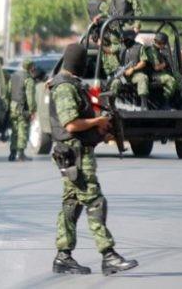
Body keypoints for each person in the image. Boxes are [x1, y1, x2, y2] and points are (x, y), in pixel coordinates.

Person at [49, 43, 138, 275]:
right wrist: (97, 122)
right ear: (76, 61)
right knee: (95, 202)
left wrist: (102, 132)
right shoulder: (65, 87)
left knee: (72, 204)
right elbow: (70, 124)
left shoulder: (72, 85)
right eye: (84, 60)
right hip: (74, 155)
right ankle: (108, 255)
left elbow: (79, 125)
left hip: (74, 152)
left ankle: (63, 257)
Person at [109, 30, 150, 110]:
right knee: (115, 83)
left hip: (135, 73)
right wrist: (100, 45)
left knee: (143, 78)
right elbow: (109, 50)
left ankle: (144, 105)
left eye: (125, 40)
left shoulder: (139, 47)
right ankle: (112, 105)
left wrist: (133, 69)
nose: (124, 42)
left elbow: (143, 62)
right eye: (123, 40)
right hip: (123, 74)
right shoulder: (121, 47)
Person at [7, 59, 37, 162]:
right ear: (30, 67)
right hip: (22, 108)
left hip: (13, 106)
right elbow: (30, 97)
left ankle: (12, 153)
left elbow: (9, 91)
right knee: (23, 130)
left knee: (14, 131)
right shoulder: (29, 79)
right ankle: (21, 154)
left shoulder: (14, 76)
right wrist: (32, 110)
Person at [88, 0, 121, 76]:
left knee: (105, 61)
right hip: (106, 33)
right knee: (117, 50)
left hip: (97, 33)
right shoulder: (102, 4)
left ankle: (109, 75)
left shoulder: (90, 3)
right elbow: (111, 13)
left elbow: (92, 19)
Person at [149, 32, 178, 109]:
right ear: (161, 43)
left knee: (177, 76)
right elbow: (156, 67)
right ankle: (165, 102)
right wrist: (166, 63)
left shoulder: (157, 50)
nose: (164, 46)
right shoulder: (153, 51)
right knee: (171, 80)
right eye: (164, 44)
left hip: (157, 73)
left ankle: (175, 99)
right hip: (152, 75)